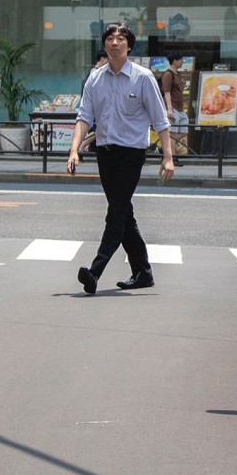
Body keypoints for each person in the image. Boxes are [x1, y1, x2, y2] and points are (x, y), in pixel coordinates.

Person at [68, 22, 174, 294]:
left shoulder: (142, 77)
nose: (115, 43)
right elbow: (84, 118)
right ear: (104, 44)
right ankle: (143, 272)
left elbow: (160, 120)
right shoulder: (95, 78)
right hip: (104, 153)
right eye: (110, 38)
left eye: (120, 38)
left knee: (115, 214)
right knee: (124, 214)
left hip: (131, 154)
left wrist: (168, 157)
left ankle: (95, 271)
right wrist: (74, 150)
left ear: (129, 44)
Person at [160, 54, 188, 161]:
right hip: (173, 107)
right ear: (175, 61)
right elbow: (167, 92)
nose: (182, 62)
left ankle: (163, 147)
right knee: (173, 132)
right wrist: (169, 109)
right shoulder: (168, 74)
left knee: (184, 131)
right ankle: (173, 157)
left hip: (180, 108)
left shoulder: (178, 74)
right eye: (181, 60)